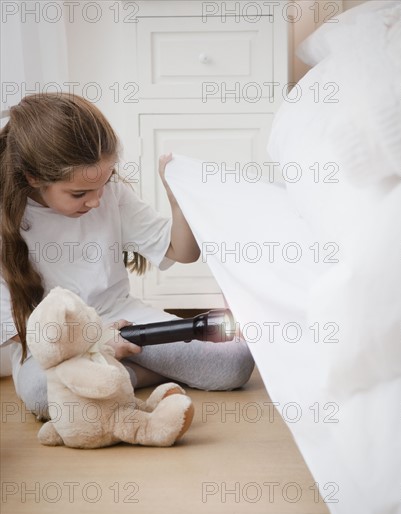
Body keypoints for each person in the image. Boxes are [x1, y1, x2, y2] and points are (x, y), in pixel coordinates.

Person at [0, 93, 254, 419]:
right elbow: (17, 332)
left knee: (235, 362)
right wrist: (95, 343)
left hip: (127, 323)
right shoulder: (9, 219)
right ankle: (127, 373)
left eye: (104, 183)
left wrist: (179, 203)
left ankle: (110, 379)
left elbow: (182, 252)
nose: (96, 201)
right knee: (40, 394)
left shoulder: (112, 197)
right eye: (79, 193)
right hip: (56, 344)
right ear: (33, 177)